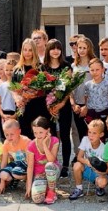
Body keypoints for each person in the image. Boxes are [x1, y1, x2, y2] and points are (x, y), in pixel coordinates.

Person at [41, 39, 72, 178]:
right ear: (48, 50)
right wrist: (49, 106)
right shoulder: (43, 68)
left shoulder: (66, 66)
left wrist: (62, 103)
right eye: (52, 48)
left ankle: (65, 165)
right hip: (48, 107)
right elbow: (41, 89)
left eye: (58, 48)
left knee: (65, 136)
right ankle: (52, 163)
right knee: (51, 136)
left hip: (64, 106)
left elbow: (69, 88)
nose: (55, 51)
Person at [68, 119, 108, 200]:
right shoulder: (85, 140)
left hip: (97, 172)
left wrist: (97, 170)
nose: (91, 135)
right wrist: (88, 162)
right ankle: (79, 189)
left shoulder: (104, 148)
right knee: (76, 165)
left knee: (103, 182)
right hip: (86, 168)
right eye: (89, 132)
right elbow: (79, 157)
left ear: (101, 134)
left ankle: (98, 186)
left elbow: (106, 170)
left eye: (94, 133)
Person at [26, 116, 60, 204]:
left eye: (41, 132)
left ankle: (52, 192)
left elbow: (51, 160)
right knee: (37, 199)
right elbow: (30, 167)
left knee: (49, 165)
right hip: (39, 175)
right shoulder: (31, 145)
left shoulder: (55, 141)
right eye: (35, 133)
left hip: (53, 170)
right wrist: (28, 186)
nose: (38, 135)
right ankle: (46, 187)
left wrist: (45, 144)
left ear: (48, 131)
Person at [0, 119, 30, 194]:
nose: (9, 137)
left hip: (26, 164)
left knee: (16, 172)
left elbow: (30, 162)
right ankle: (15, 178)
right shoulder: (6, 143)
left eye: (12, 134)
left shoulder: (26, 141)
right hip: (15, 164)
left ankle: (26, 178)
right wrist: (2, 182)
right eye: (6, 135)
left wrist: (28, 183)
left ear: (19, 132)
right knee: (3, 174)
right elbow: (4, 162)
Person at [83, 58, 108, 139]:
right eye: (92, 70)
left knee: (104, 135)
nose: (95, 72)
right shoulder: (87, 85)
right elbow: (86, 99)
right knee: (92, 135)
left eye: (97, 69)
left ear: (103, 69)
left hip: (104, 112)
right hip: (91, 113)